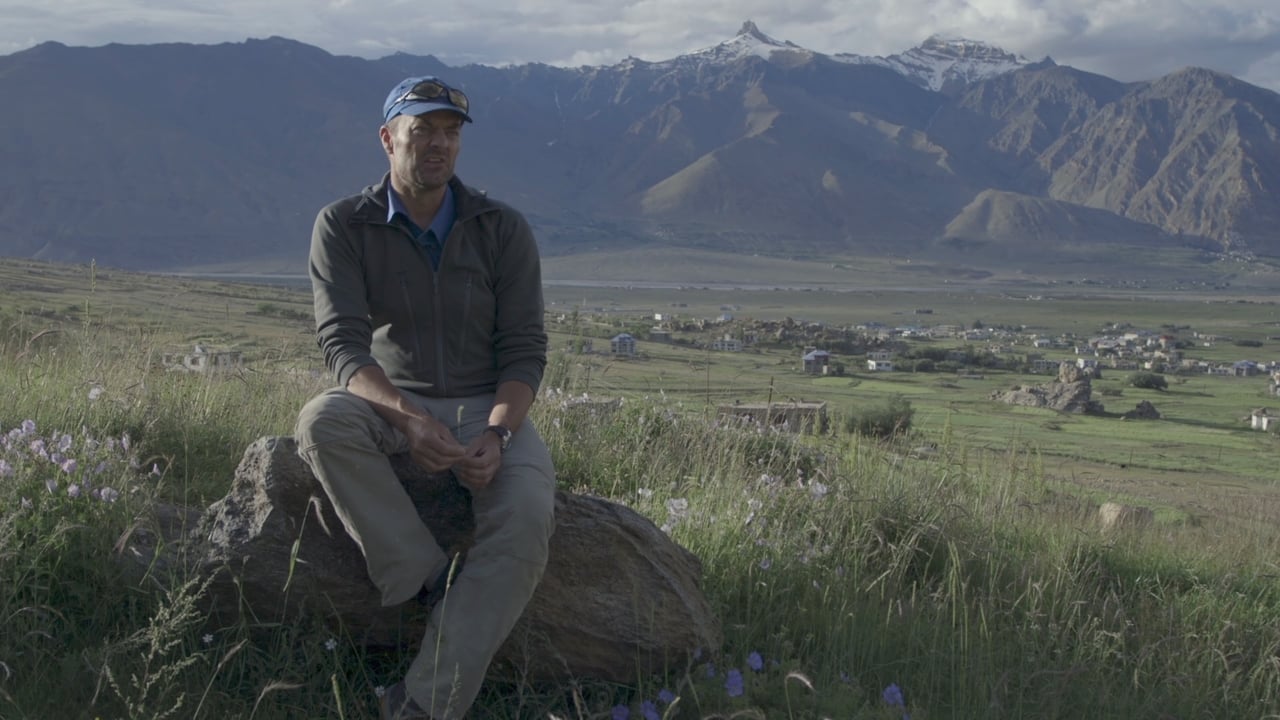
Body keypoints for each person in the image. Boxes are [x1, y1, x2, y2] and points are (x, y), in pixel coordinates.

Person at [293, 75, 556, 720]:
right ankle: (428, 579)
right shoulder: (343, 225)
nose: (439, 145)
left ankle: (419, 703)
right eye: (423, 131)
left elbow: (524, 350)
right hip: (390, 402)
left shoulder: (501, 228)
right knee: (321, 419)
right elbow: (344, 350)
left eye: (451, 132)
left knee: (524, 514)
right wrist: (408, 419)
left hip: (486, 410)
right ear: (388, 139)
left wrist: (497, 433)